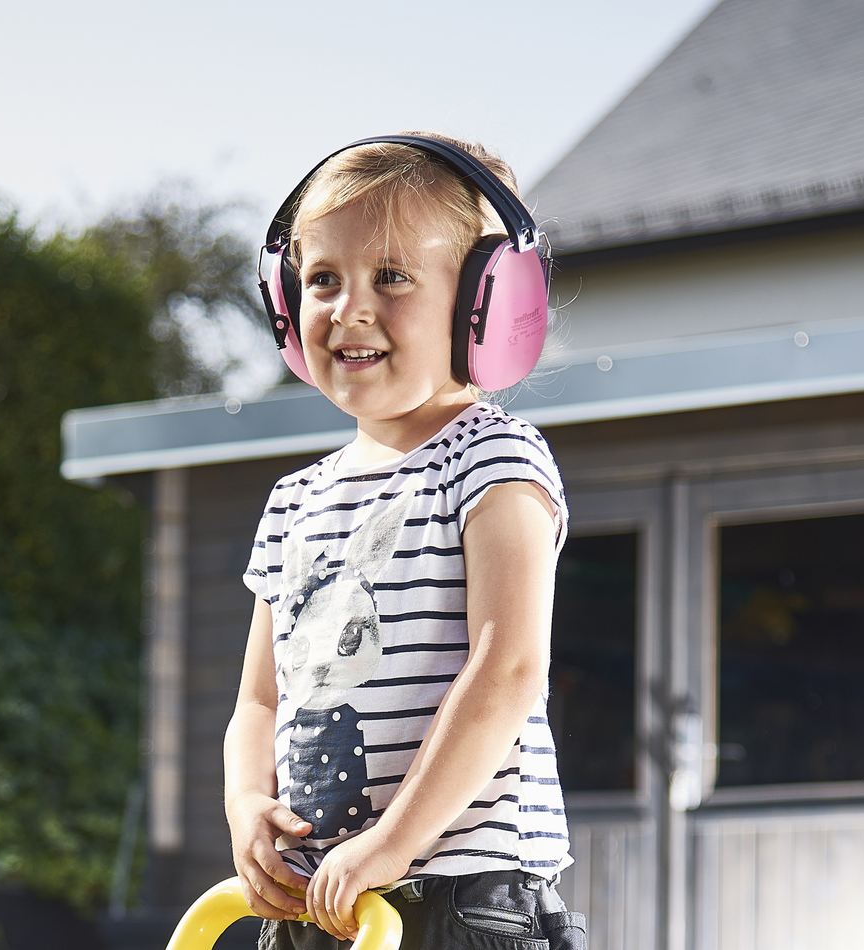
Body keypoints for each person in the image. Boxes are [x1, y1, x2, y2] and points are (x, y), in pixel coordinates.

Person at [224, 133, 582, 950]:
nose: (349, 308)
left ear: (481, 305)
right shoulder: (294, 501)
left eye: (391, 277)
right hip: (323, 897)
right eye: (321, 280)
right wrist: (247, 805)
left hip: (463, 896)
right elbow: (258, 700)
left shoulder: (491, 458)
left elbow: (510, 666)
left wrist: (393, 842)